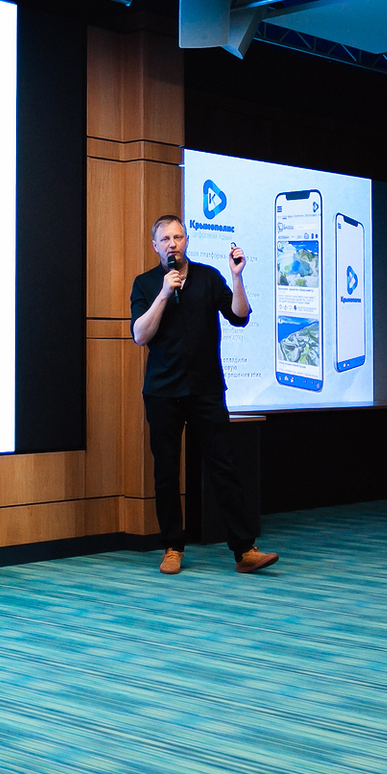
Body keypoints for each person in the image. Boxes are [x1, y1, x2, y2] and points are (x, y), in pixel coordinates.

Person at [129, 215, 280, 576]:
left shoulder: (209, 277)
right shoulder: (146, 283)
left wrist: (237, 277)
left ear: (186, 241)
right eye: (165, 239)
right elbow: (140, 335)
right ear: (155, 246)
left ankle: (244, 550)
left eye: (178, 237)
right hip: (163, 392)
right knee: (166, 472)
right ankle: (172, 547)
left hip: (206, 390)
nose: (173, 244)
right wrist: (164, 293)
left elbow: (239, 316)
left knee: (224, 467)